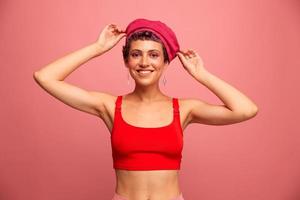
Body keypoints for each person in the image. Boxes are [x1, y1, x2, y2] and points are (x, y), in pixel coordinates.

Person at [33, 18, 258, 200]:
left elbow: (246, 110)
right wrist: (97, 48)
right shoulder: (110, 106)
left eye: (154, 54)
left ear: (165, 62)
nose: (144, 62)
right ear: (126, 61)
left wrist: (202, 75)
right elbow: (45, 77)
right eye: (135, 54)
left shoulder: (185, 109)